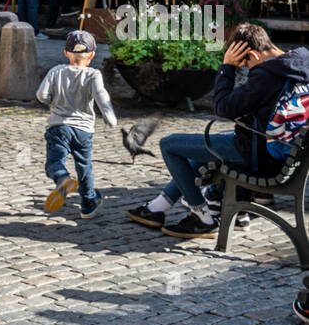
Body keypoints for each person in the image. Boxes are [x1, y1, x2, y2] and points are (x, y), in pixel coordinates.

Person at [128, 22, 309, 238]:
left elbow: (223, 107)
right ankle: (157, 208)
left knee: (169, 145)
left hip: (260, 154)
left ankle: (202, 216)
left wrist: (227, 67)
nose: (247, 69)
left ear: (252, 53)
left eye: (245, 64)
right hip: (285, 151)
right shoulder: (303, 60)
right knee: (204, 147)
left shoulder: (266, 77)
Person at [37, 30, 117, 219]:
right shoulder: (93, 75)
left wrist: (52, 100)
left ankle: (63, 179)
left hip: (58, 127)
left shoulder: (56, 71)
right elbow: (102, 97)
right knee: (84, 166)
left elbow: (41, 95)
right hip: (84, 131)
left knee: (54, 162)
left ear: (66, 53)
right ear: (92, 55)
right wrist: (110, 118)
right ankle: (88, 203)